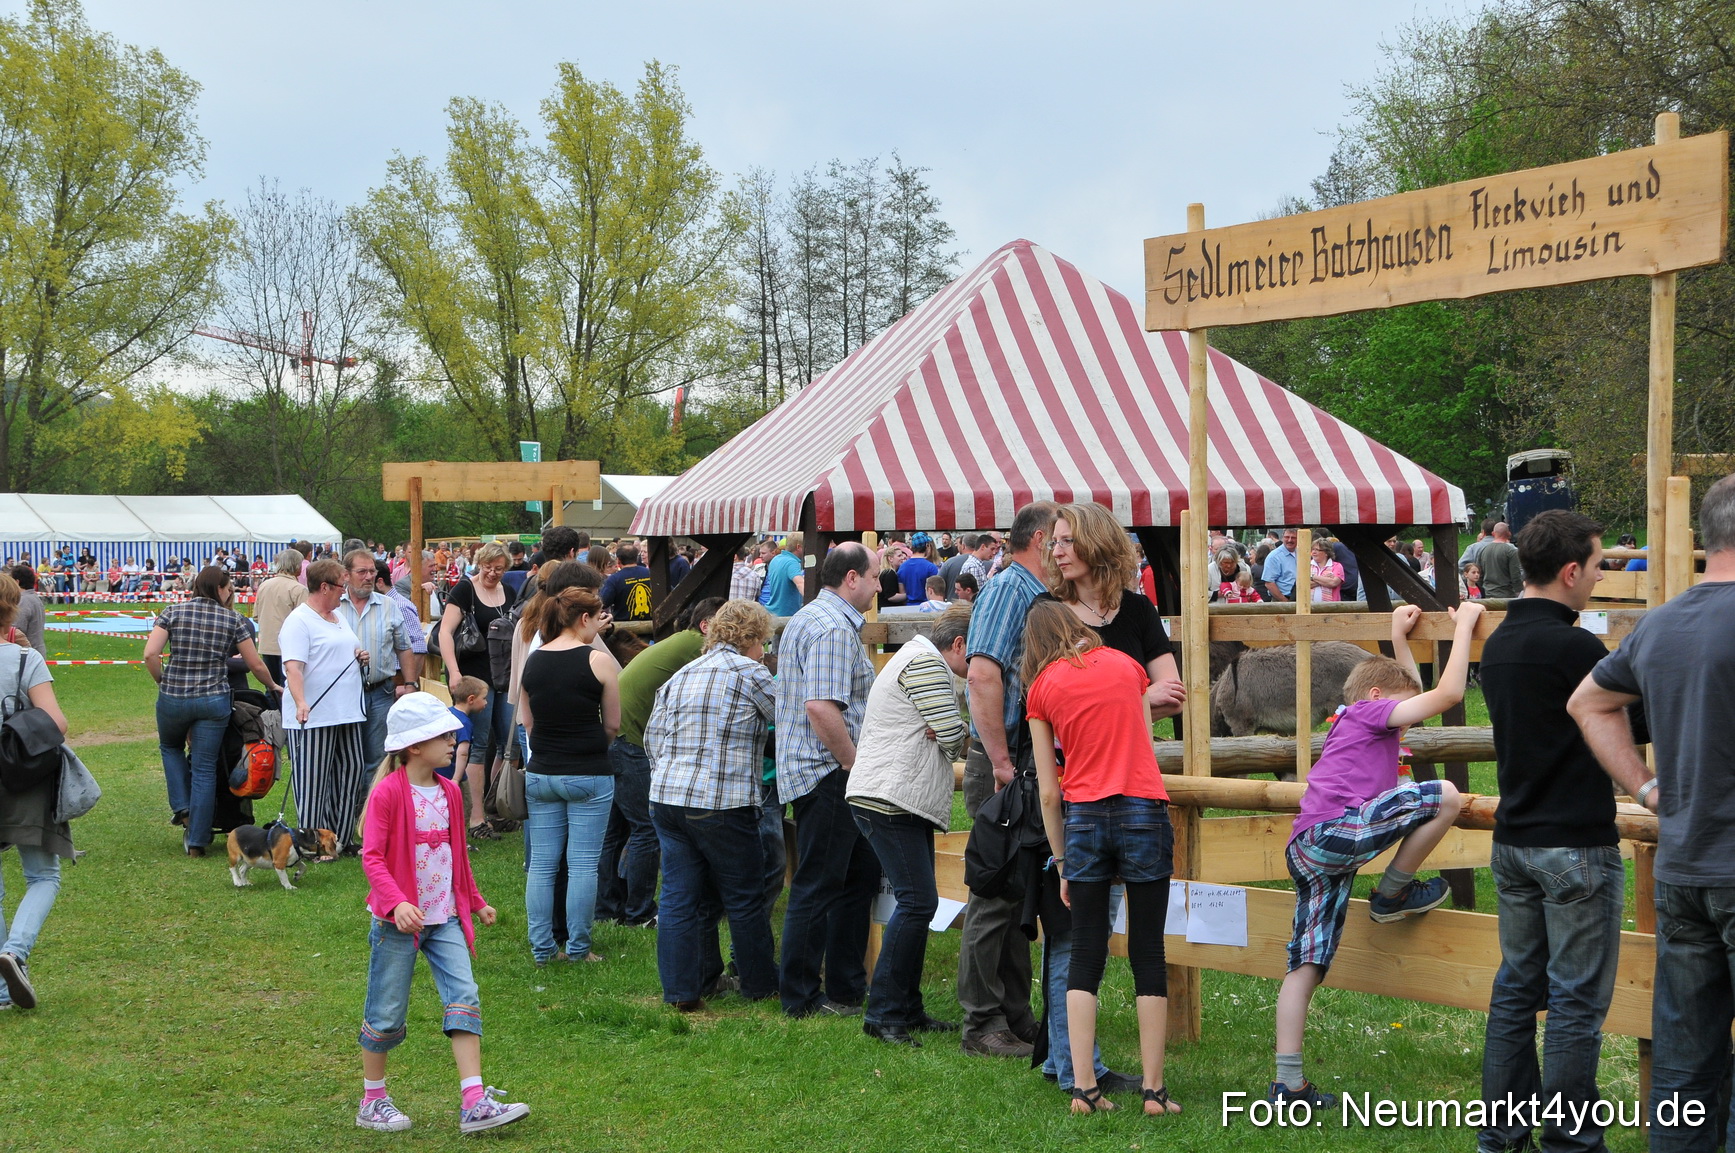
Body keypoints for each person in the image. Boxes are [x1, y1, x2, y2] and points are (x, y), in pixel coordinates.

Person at [1569, 473, 1735, 1151]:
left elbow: (1587, 702)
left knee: (1682, 1066)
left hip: (1684, 867)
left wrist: (1645, 789)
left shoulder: (1660, 623)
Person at [1268, 600, 1482, 1107]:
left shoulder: (1354, 720)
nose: (1407, 721)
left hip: (1308, 848)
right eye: (1401, 710)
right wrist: (1465, 627)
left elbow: (1415, 695)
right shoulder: (1369, 713)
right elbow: (1446, 695)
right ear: (1378, 698)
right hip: (1334, 833)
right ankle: (1392, 894)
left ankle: (1287, 1084)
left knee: (1306, 963)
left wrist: (1398, 637)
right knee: (1445, 795)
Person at [1476, 509, 1618, 1153]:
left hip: (1514, 840)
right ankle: (1570, 1140)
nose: (1599, 576)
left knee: (1515, 992)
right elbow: (1629, 723)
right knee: (1574, 1004)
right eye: (1596, 566)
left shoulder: (1501, 641)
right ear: (1569, 572)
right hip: (1575, 843)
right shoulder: (1575, 647)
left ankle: (1501, 1135)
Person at [1036, 501, 1185, 1092]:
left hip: (1098, 796)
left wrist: (1110, 703)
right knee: (1088, 942)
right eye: (1054, 541)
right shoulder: (1051, 613)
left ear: (1097, 542)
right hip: (1096, 791)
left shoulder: (1137, 610)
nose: (1057, 550)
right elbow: (1148, 693)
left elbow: (1173, 691)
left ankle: (1084, 1085)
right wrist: (1130, 698)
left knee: (1098, 945)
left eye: (1066, 539)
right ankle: (1104, 1076)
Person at [355, 692, 528, 1135]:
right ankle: (373, 1100)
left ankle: (474, 1101)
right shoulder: (388, 793)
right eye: (444, 736)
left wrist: (475, 901)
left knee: (464, 997)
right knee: (387, 1010)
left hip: (446, 918)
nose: (454, 741)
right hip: (397, 924)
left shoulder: (451, 791)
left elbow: (457, 858)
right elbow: (372, 858)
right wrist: (397, 902)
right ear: (414, 746)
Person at [643, 599, 780, 1011]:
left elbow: (653, 738)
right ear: (753, 637)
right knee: (744, 896)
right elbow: (791, 719)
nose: (764, 650)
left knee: (679, 898)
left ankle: (684, 991)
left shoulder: (683, 673)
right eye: (763, 642)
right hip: (722, 801)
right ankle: (759, 984)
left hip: (667, 797)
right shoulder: (751, 673)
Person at [846, 604, 972, 1045]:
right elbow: (952, 736)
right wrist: (956, 730)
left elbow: (945, 730)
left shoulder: (915, 658)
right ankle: (883, 1014)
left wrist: (948, 727)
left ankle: (905, 1008)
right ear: (959, 644)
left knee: (919, 902)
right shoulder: (927, 664)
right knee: (918, 902)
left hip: (896, 797)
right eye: (976, 654)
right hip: (890, 798)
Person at [957, 502, 1057, 1061]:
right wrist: (999, 761)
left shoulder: (1029, 592)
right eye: (1060, 538)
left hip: (1018, 759)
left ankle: (1015, 1016)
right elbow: (982, 674)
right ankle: (982, 1023)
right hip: (1006, 761)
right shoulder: (1008, 590)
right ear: (1040, 539)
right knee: (995, 892)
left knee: (1017, 893)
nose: (1065, 549)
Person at [775, 542, 881, 1018]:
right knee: (819, 883)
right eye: (874, 577)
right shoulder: (833, 627)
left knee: (856, 878)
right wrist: (853, 763)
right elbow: (821, 706)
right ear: (851, 578)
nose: (879, 587)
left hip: (823, 770)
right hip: (829, 772)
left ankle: (845, 987)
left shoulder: (811, 618)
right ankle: (800, 996)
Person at [598, 597, 725, 929]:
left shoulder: (682, 641)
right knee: (646, 827)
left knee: (615, 830)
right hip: (629, 739)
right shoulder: (698, 647)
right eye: (728, 625)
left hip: (615, 733)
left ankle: (607, 907)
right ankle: (639, 912)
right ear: (706, 626)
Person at [144, 566, 280, 854]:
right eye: (228, 588)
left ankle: (183, 807)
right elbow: (255, 664)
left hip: (174, 697)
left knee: (170, 748)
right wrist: (272, 686)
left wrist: (161, 680)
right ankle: (197, 841)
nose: (230, 593)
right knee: (205, 767)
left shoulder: (172, 612)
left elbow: (150, 654)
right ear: (219, 588)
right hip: (214, 699)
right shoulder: (234, 619)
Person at [519, 586, 620, 966]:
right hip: (589, 772)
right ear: (584, 618)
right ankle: (578, 948)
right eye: (598, 617)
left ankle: (542, 948)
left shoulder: (534, 660)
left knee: (542, 866)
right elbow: (612, 724)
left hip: (541, 772)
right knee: (582, 866)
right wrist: (591, 747)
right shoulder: (598, 660)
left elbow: (528, 723)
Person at [0, 572, 71, 1011]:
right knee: (43, 875)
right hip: (21, 777)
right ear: (13, 609)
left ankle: (2, 990)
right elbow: (56, 723)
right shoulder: (26, 659)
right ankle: (15, 951)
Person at [282, 558, 371, 856]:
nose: (344, 591)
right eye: (340, 586)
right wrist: (300, 702)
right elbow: (293, 668)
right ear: (324, 587)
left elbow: (339, 649)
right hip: (314, 714)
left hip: (348, 711)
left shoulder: (338, 616)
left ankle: (340, 840)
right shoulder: (299, 620)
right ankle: (311, 844)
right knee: (313, 780)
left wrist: (358, 656)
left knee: (351, 771)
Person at [438, 541, 513, 837]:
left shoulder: (510, 592)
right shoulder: (464, 590)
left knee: (510, 744)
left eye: (499, 569)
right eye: (487, 567)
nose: (493, 573)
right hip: (475, 678)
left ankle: (499, 806)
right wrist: (454, 671)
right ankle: (475, 817)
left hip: (504, 677)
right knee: (477, 745)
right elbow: (445, 632)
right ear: (479, 564)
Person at [337, 549, 414, 771]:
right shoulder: (335, 606)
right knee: (346, 757)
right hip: (343, 694)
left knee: (378, 758)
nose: (369, 577)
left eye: (372, 571)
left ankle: (373, 795)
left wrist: (410, 684)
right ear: (346, 575)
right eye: (362, 572)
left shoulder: (388, 605)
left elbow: (404, 648)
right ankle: (350, 795)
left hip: (380, 693)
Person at [255, 548, 310, 689]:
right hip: (289, 648)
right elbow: (306, 622)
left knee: (271, 688)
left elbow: (256, 616)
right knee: (290, 688)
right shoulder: (299, 589)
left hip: (267, 644)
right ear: (297, 566)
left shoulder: (264, 585)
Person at [441, 677, 490, 781]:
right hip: (452, 775)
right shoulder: (464, 723)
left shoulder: (446, 713)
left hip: (438, 772)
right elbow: (462, 753)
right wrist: (456, 779)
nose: (486, 702)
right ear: (471, 699)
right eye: (484, 698)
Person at [600, 543, 653, 622]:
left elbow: (603, 602)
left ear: (618, 560)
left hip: (624, 627)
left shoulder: (614, 579)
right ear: (636, 557)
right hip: (652, 625)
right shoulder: (651, 574)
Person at [758, 534, 805, 618]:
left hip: (771, 612)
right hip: (785, 615)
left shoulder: (776, 559)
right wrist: (816, 603)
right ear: (798, 547)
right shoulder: (792, 562)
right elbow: (800, 583)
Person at [7, 567, 45, 657]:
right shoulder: (35, 598)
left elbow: (15, 630)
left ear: (17, 582)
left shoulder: (23, 601)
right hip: (35, 652)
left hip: (26, 654)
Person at [1480, 523, 1523, 599]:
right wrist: (1519, 592)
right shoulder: (1511, 551)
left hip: (1488, 594)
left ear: (1493, 533)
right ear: (1508, 533)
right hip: (1506, 595)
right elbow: (1515, 575)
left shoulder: (1484, 550)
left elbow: (1480, 574)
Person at [897, 532, 941, 606]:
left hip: (908, 607)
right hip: (926, 607)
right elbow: (935, 594)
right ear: (927, 546)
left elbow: (902, 593)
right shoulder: (931, 567)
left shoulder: (902, 567)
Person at [1262, 528, 1300, 601]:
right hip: (1282, 599)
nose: (1289, 540)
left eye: (1293, 538)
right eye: (1287, 537)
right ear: (1282, 538)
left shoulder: (1301, 553)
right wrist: (1285, 601)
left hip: (1300, 598)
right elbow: (1269, 583)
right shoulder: (1274, 556)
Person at [1309, 538, 1345, 602]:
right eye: (1313, 549)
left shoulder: (1337, 566)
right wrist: (1325, 579)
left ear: (1326, 553)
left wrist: (1312, 577)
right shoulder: (1307, 566)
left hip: (1331, 606)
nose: (1313, 552)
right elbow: (1304, 585)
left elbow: (1333, 583)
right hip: (1309, 606)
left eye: (1317, 550)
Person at [939, 534, 974, 599]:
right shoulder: (986, 563)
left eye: (946, 539)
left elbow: (938, 582)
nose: (956, 546)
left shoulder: (950, 562)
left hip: (952, 601)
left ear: (963, 546)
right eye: (943, 539)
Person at [876, 544, 908, 610]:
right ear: (890, 558)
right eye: (899, 556)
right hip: (887, 609)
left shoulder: (884, 572)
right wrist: (908, 595)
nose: (902, 558)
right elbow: (891, 596)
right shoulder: (890, 574)